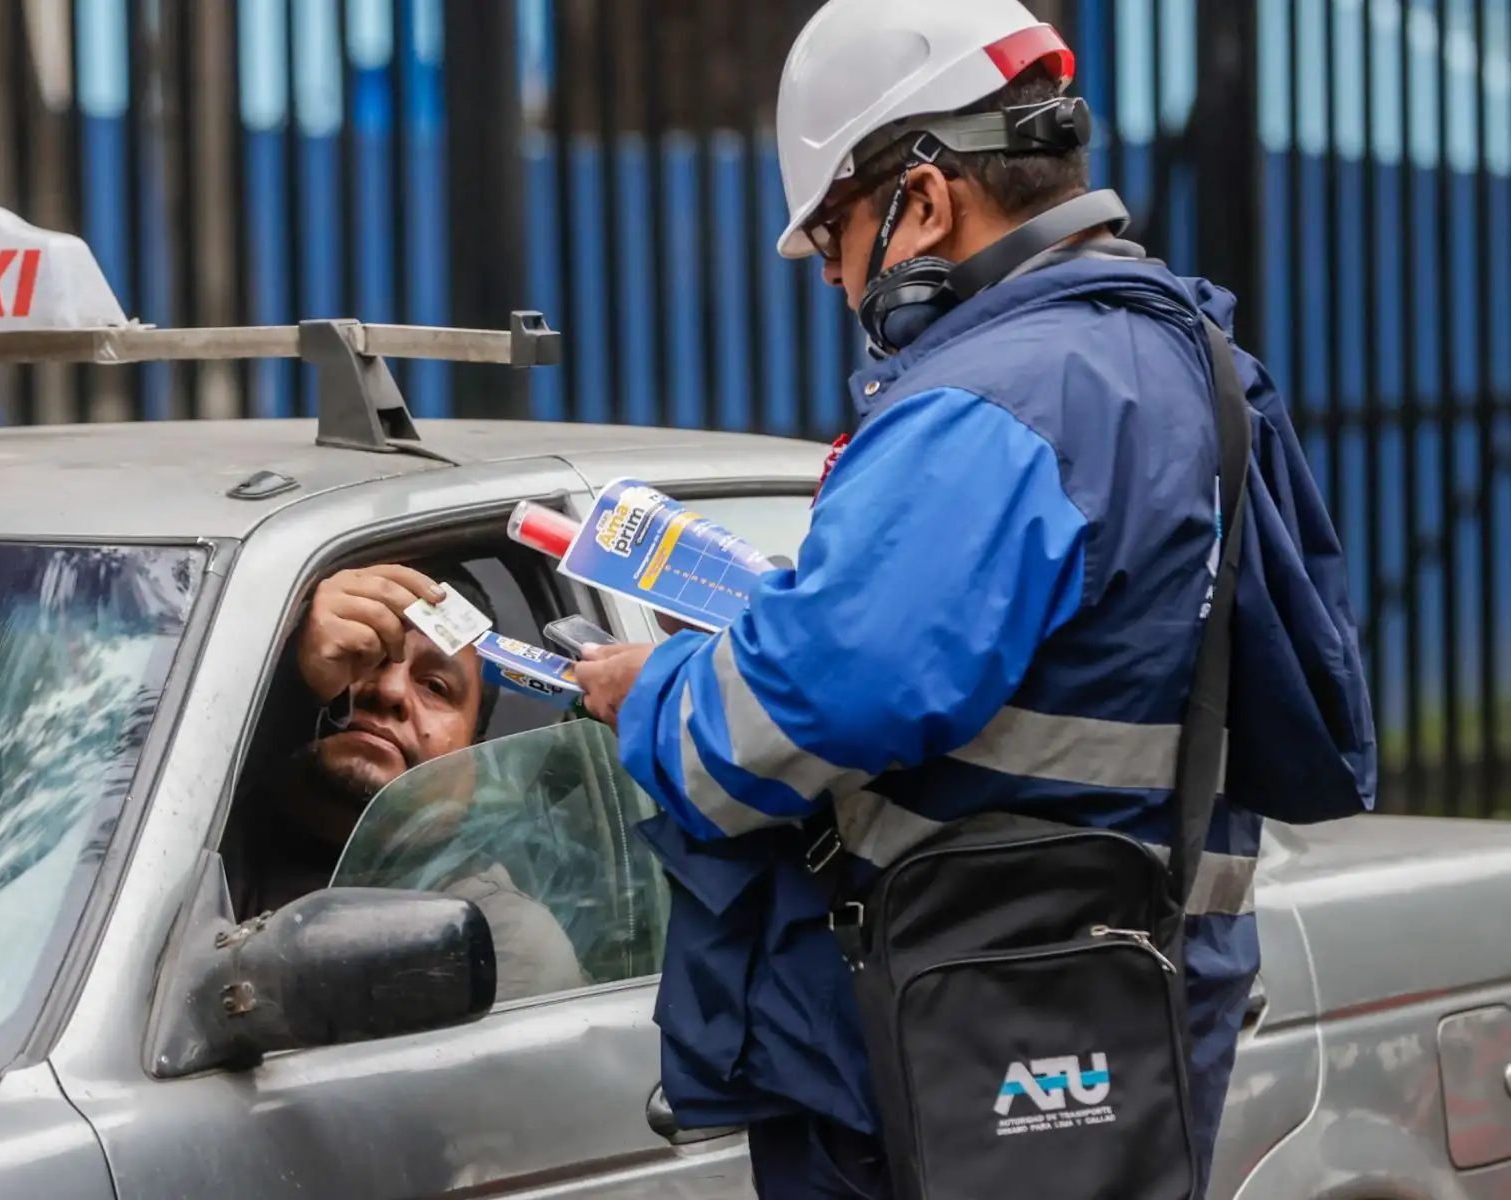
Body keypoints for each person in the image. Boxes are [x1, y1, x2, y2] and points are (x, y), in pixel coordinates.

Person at [575, 3, 1376, 1196]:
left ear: (930, 202)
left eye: (841, 236)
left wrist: (656, 695)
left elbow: (830, 690)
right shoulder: (1177, 359)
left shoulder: (999, 398)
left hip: (956, 1032)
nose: (841, 280)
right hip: (1111, 1002)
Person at [226, 561, 586, 1003]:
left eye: (435, 686)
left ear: (470, 762)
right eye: (363, 655)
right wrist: (288, 688)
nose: (391, 690)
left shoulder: (496, 938)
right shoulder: (186, 822)